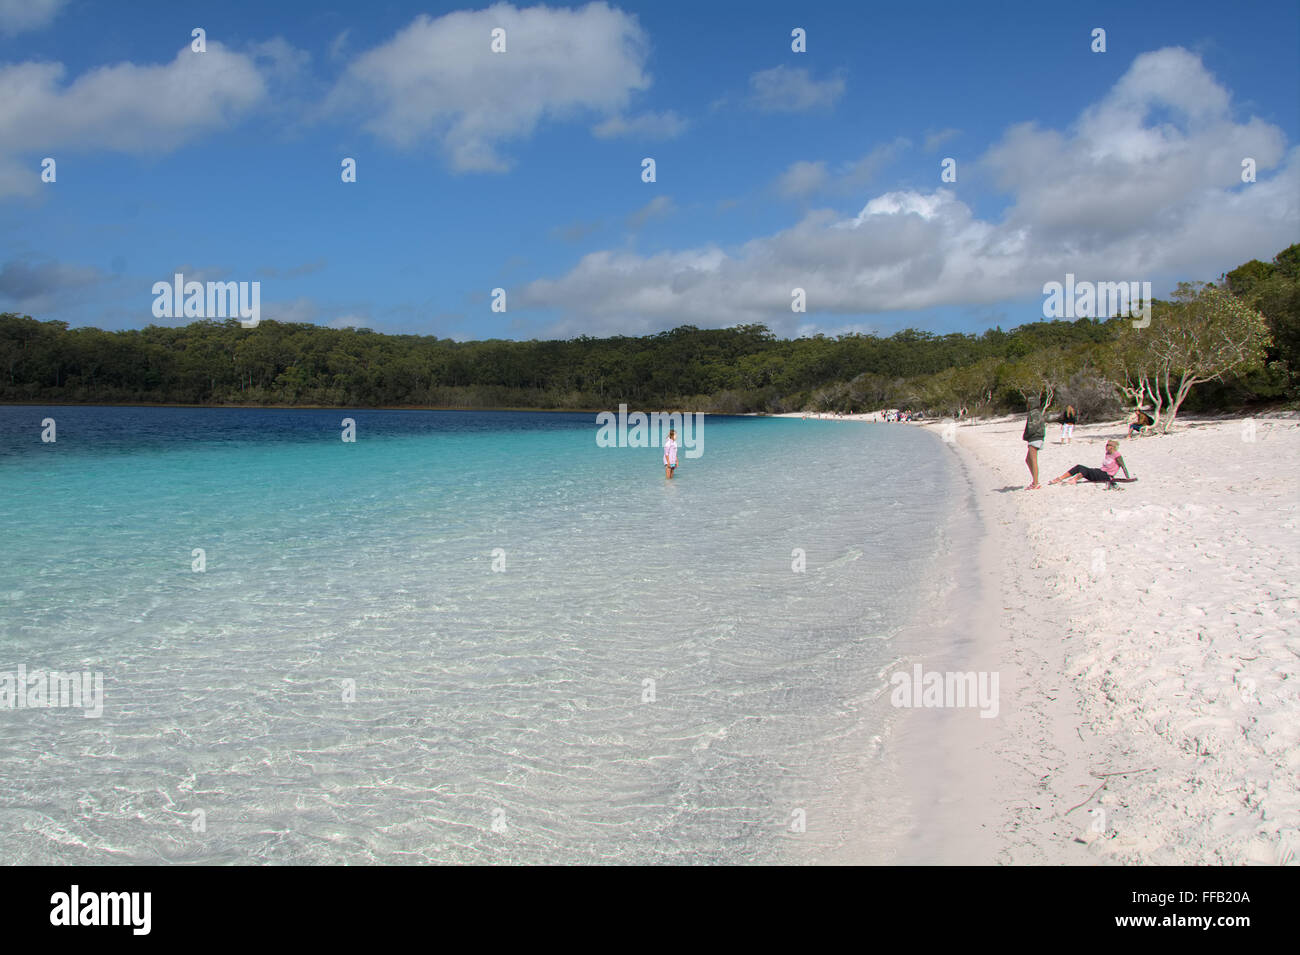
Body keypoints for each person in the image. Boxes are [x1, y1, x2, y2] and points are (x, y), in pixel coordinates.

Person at [1048, 439, 1132, 487]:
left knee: (1086, 470)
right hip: (1100, 472)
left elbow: (1123, 466)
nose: (1106, 447)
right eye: (1106, 445)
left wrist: (1128, 478)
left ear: (1113, 447)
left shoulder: (1117, 455)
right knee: (1079, 467)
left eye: (1108, 445)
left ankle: (1074, 480)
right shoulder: (1107, 454)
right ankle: (1060, 478)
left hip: (1107, 475)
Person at [1022, 394, 1046, 489]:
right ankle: (1035, 480)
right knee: (1028, 460)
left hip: (1034, 438)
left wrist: (1026, 436)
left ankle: (1036, 483)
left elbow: (1032, 428)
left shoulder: (1033, 413)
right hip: (1037, 438)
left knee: (1033, 460)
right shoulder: (1037, 413)